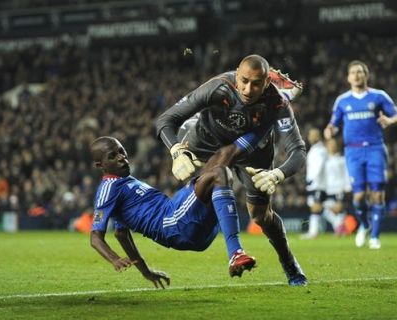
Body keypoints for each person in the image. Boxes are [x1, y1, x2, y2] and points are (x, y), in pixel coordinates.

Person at [156, 54, 308, 286]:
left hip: (254, 152)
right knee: (190, 171)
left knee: (261, 216)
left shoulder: (277, 103)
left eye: (256, 83)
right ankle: (234, 250)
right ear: (236, 75)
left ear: (266, 83)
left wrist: (278, 174)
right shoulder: (218, 87)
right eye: (244, 80)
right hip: (207, 140)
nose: (248, 89)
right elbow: (165, 120)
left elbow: (297, 150)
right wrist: (176, 151)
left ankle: (290, 264)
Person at [90, 136, 258, 289]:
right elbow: (95, 237)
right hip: (173, 224)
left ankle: (266, 123)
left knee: (221, 157)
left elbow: (121, 233)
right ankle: (236, 253)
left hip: (180, 219)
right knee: (219, 172)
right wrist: (114, 258)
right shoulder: (109, 188)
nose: (121, 158)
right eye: (112, 156)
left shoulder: (122, 183)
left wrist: (146, 272)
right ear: (100, 165)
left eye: (121, 151)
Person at [324, 60, 397, 249]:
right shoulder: (342, 100)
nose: (357, 75)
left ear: (366, 75)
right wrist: (329, 130)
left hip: (375, 148)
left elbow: (395, 113)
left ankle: (374, 236)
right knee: (358, 196)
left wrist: (389, 120)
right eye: (353, 72)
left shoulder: (379, 96)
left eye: (360, 72)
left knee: (377, 195)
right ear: (348, 78)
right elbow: (333, 123)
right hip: (353, 151)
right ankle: (365, 225)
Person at [300, 128, 328, 239]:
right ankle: (338, 225)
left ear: (317, 136)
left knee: (316, 207)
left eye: (312, 135)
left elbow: (320, 166)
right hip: (313, 183)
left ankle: (313, 232)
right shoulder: (315, 149)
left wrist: (313, 178)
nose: (310, 137)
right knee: (316, 206)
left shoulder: (320, 149)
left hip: (318, 183)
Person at [321, 138, 351, 235]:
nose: (332, 146)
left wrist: (347, 188)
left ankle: (339, 229)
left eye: (334, 145)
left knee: (339, 209)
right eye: (330, 144)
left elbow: (347, 174)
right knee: (323, 209)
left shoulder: (342, 159)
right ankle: (339, 226)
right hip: (328, 189)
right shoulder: (324, 161)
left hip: (339, 189)